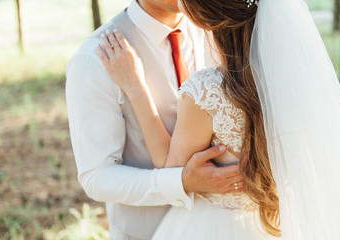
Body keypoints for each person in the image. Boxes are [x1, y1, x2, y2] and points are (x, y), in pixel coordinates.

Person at [98, 0, 340, 239]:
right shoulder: (299, 83)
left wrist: (136, 87)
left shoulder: (207, 92)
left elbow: (170, 169)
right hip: (277, 222)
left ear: (204, 16)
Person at [66, 0, 247, 239]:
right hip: (145, 233)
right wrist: (179, 182)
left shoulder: (219, 29)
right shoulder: (93, 59)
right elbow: (96, 176)